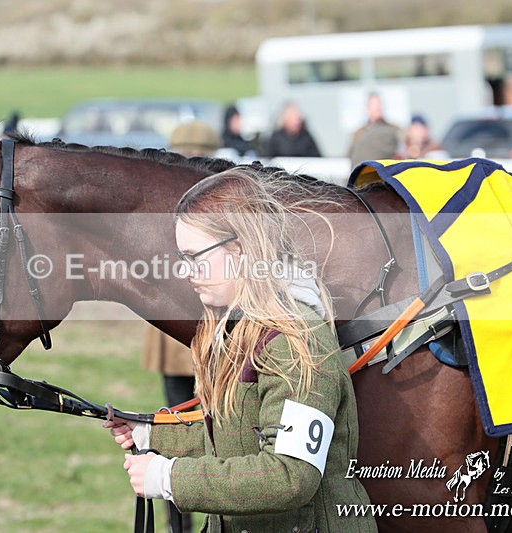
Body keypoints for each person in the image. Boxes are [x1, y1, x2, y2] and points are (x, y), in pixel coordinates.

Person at [105, 168, 376, 532]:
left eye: (194, 256)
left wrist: (168, 477)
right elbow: (237, 441)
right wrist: (150, 434)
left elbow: (289, 474)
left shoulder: (299, 342)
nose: (187, 272)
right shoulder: (238, 328)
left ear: (239, 250)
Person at [144, 118, 223, 533]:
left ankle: (179, 526)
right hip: (208, 341)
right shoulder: (218, 206)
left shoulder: (160, 206)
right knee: (217, 436)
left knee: (174, 433)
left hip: (177, 343)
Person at [347, 93, 400, 167]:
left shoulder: (394, 129)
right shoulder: (358, 133)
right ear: (368, 108)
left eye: (379, 104)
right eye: (374, 105)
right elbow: (350, 154)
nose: (378, 107)